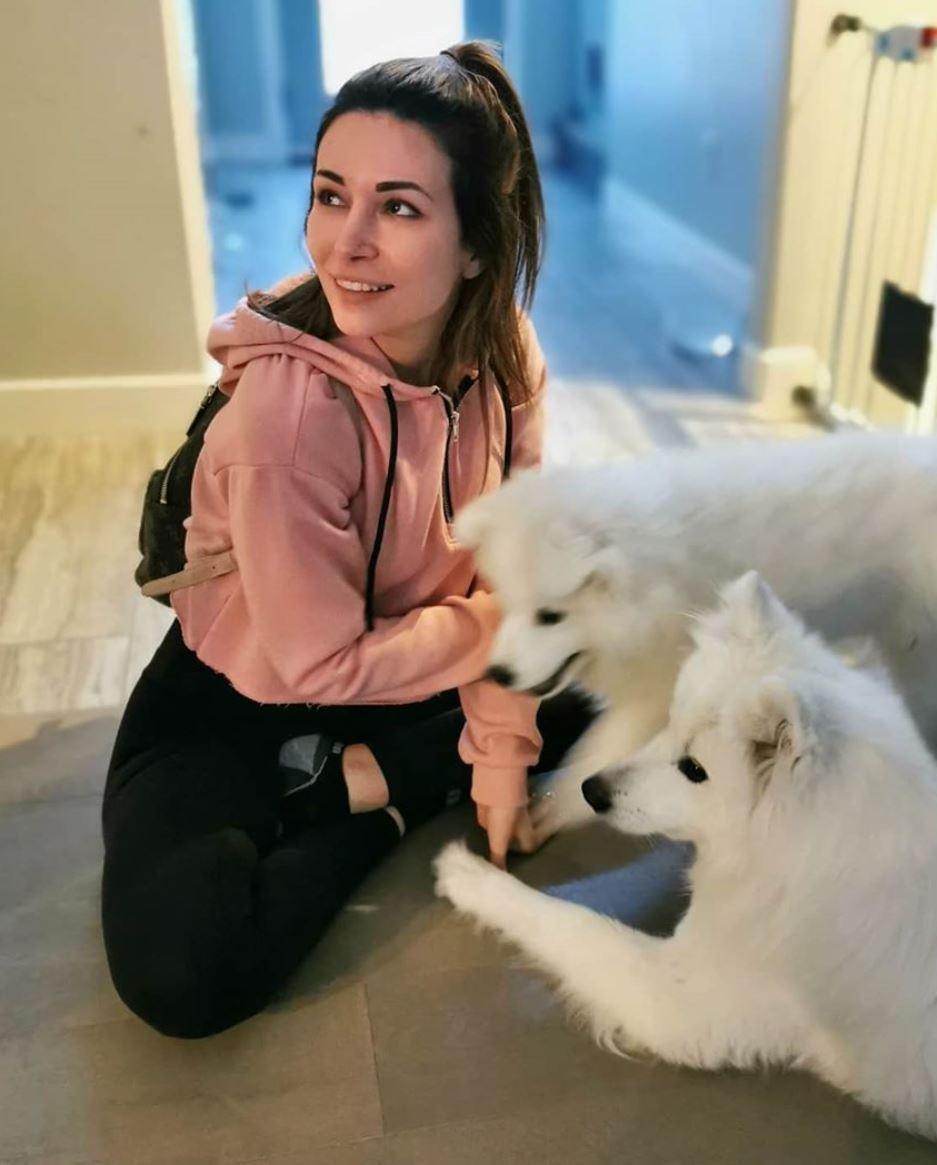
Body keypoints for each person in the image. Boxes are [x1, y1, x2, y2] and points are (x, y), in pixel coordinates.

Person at [101, 41, 592, 1039]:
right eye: (332, 195)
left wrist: (499, 756)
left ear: (476, 247)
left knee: (617, 661)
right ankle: (377, 796)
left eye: (399, 207)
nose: (346, 242)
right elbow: (323, 656)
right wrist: (498, 629)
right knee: (183, 971)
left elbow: (520, 558)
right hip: (241, 698)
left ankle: (373, 774)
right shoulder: (290, 422)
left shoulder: (505, 353)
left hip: (410, 662)